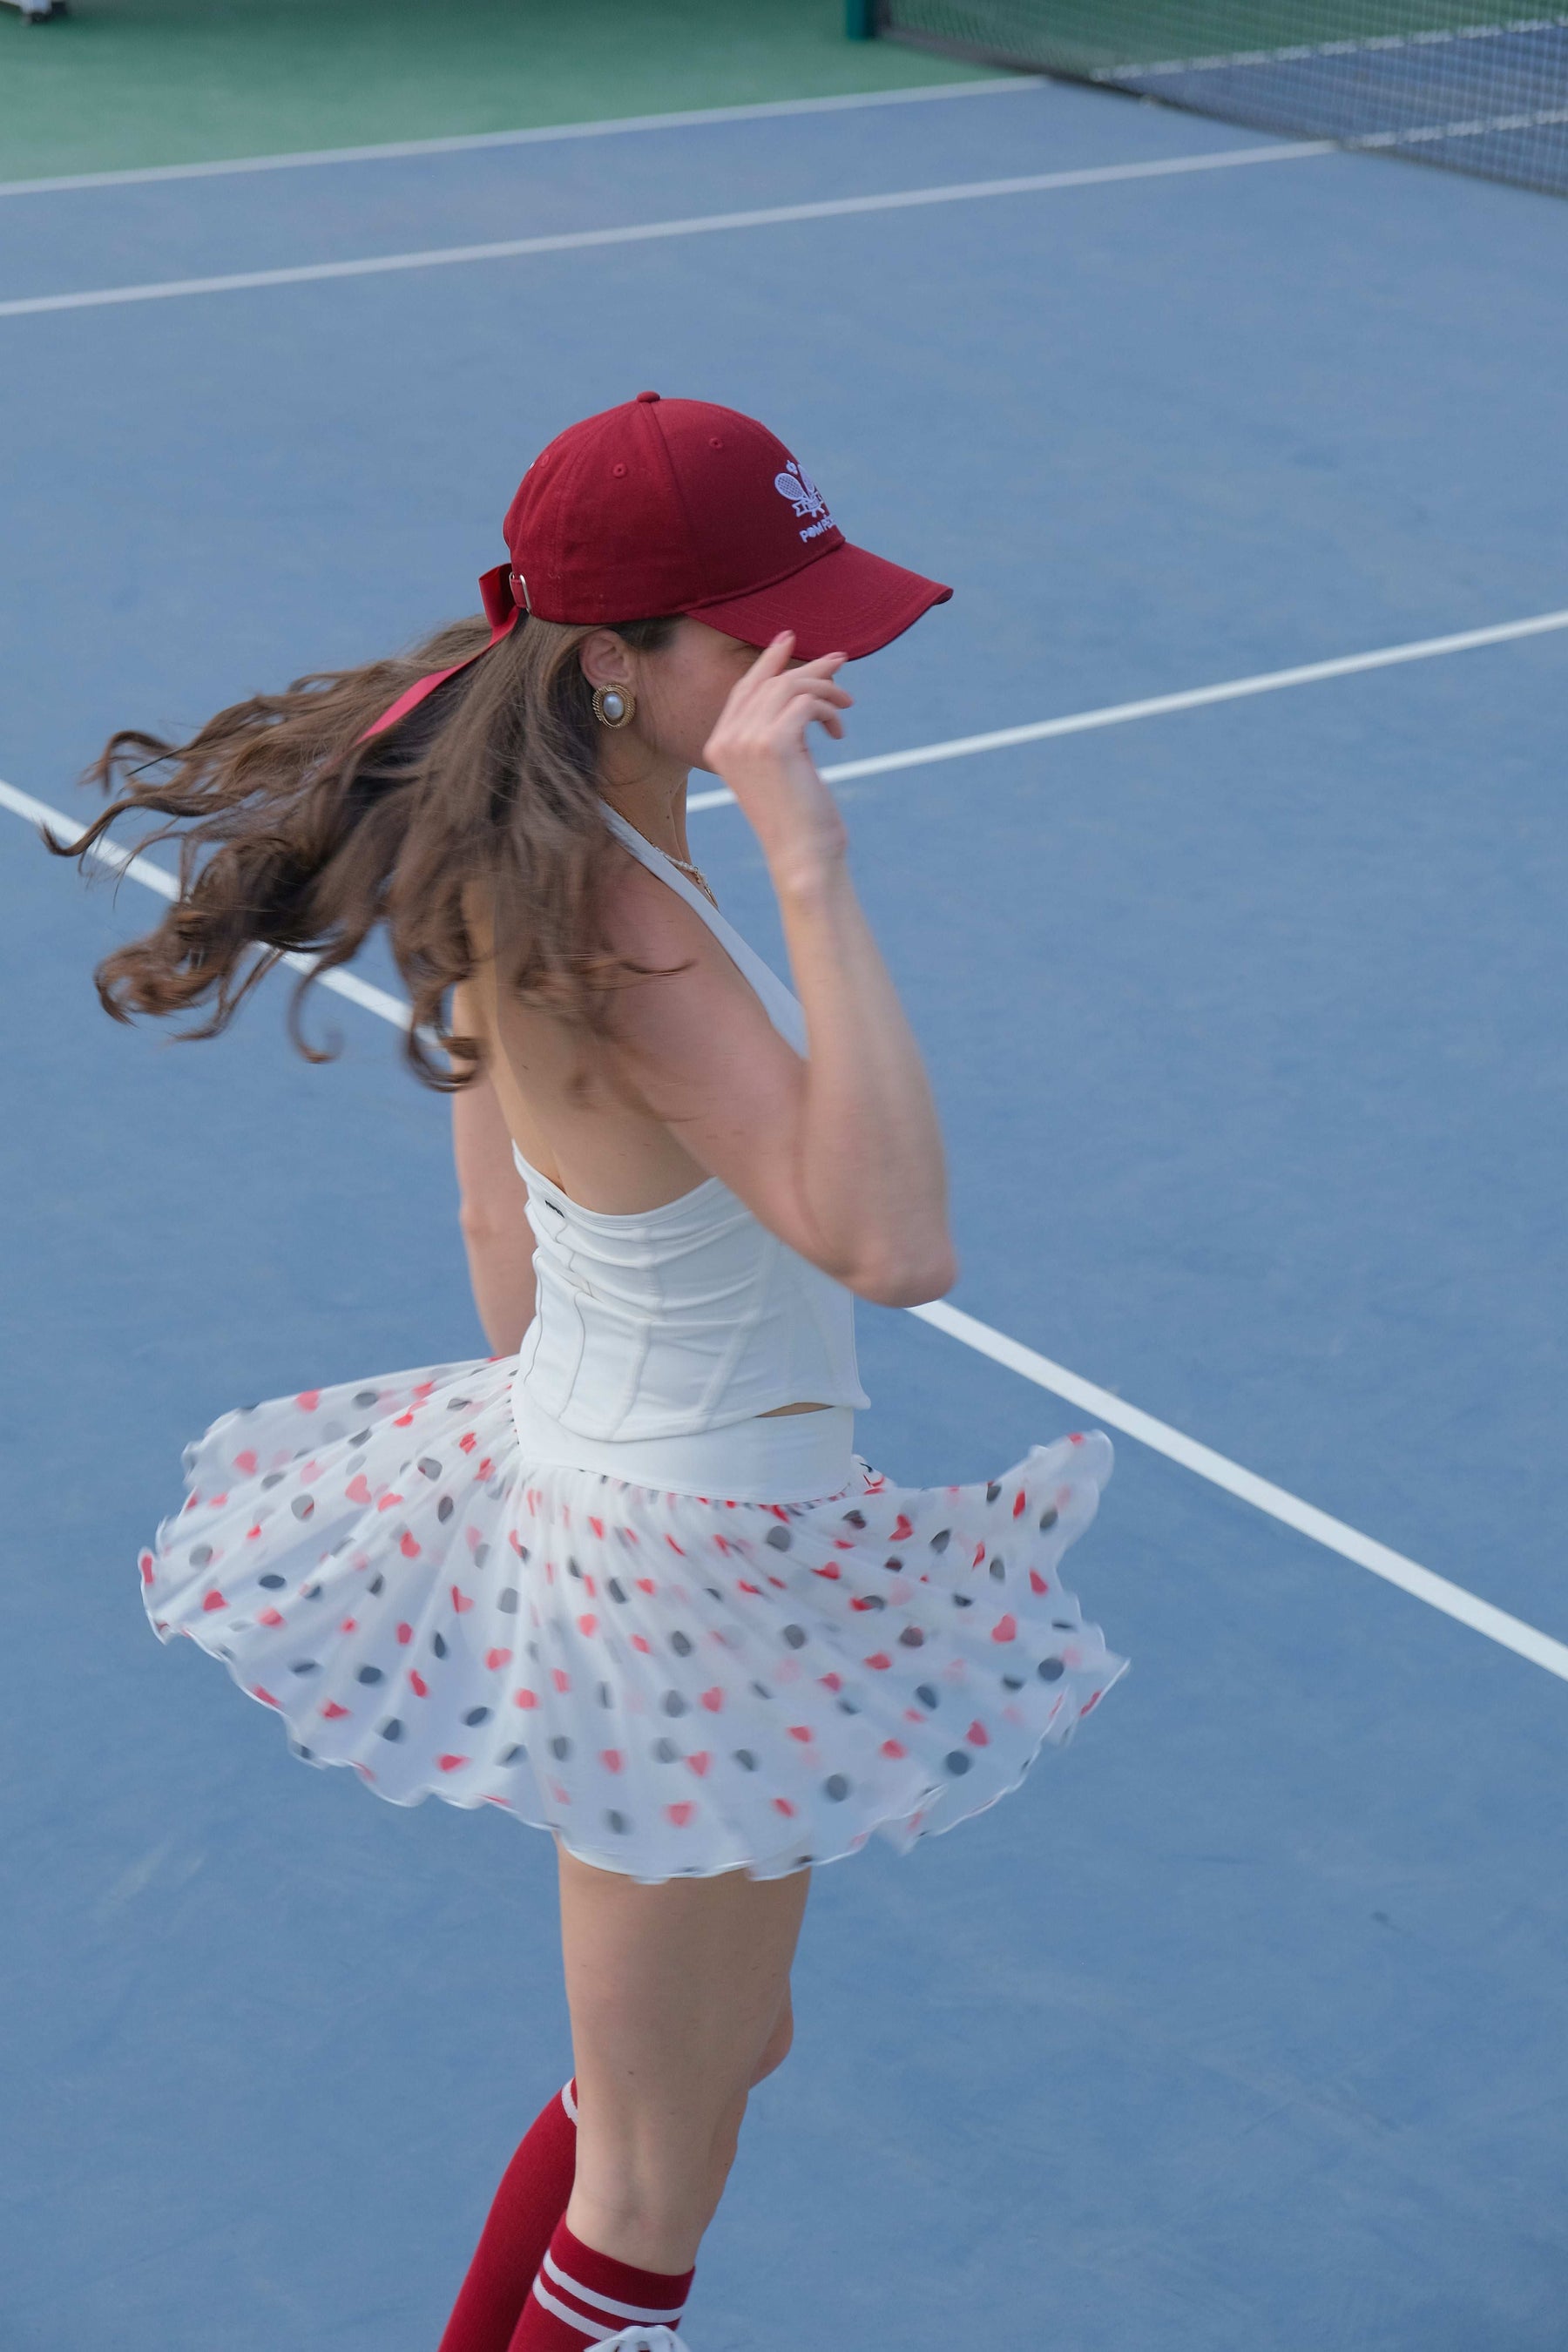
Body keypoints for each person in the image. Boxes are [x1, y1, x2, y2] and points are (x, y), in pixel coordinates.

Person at [62, 392, 1125, 2352]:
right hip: (694, 1555)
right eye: (760, 632)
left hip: (630, 1509)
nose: (810, 665)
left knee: (704, 2068)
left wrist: (601, 1474)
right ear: (616, 664)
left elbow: (503, 1242)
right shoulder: (625, 923)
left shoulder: (525, 861)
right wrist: (811, 860)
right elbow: (895, 1244)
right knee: (650, 2186)